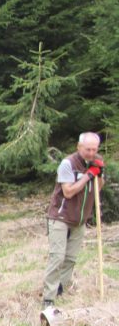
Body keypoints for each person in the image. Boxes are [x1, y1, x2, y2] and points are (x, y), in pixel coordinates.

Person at [42, 132, 105, 309]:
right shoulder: (67, 164)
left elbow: (98, 188)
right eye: (88, 149)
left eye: (94, 149)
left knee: (70, 258)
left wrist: (99, 174)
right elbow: (68, 192)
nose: (91, 153)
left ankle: (61, 287)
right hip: (60, 217)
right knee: (57, 256)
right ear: (79, 147)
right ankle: (49, 298)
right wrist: (87, 176)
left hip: (80, 219)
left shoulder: (96, 160)